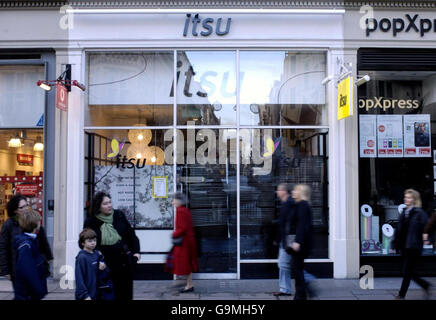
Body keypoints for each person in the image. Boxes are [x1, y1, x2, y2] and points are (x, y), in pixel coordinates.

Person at [84, 192, 140, 300]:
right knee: (107, 295)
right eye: (105, 204)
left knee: (124, 295)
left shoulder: (119, 215)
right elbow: (83, 241)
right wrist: (95, 255)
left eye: (110, 202)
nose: (109, 205)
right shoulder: (91, 221)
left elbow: (131, 235)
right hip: (104, 265)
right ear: (98, 207)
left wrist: (136, 253)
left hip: (123, 263)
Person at [0, 194, 52, 282]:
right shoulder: (9, 225)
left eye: (27, 205)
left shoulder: (34, 220)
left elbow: (44, 244)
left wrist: (46, 260)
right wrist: (5, 270)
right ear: (15, 210)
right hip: (18, 269)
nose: (26, 208)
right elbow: (3, 248)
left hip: (36, 267)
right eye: (22, 207)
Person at [393, 189, 430, 300]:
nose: (406, 199)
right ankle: (425, 285)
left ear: (414, 200)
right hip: (404, 246)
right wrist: (395, 242)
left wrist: (427, 237)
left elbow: (427, 227)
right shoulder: (404, 211)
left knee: (406, 271)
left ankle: (401, 295)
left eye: (409, 197)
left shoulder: (419, 213)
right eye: (405, 197)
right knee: (408, 272)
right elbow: (399, 229)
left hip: (414, 246)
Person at [13, 210, 49, 300]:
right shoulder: (26, 245)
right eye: (39, 221)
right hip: (28, 294)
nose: (40, 223)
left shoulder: (31, 241)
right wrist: (38, 290)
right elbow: (28, 271)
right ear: (35, 224)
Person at [286, 184, 313, 300]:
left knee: (296, 268)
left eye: (296, 190)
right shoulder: (300, 204)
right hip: (302, 242)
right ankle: (301, 294)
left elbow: (302, 225)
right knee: (297, 268)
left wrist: (297, 242)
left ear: (301, 193)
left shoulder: (302, 205)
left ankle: (300, 295)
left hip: (301, 243)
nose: (293, 191)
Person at [75, 228, 114, 300]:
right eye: (89, 241)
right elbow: (79, 278)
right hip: (88, 295)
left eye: (94, 240)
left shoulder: (97, 254)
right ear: (83, 243)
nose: (93, 243)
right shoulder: (82, 257)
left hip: (99, 294)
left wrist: (104, 268)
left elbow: (106, 273)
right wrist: (85, 296)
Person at [171, 192, 198, 293]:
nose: (172, 202)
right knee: (188, 263)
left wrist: (174, 234)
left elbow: (182, 228)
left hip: (184, 243)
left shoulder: (180, 211)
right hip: (189, 241)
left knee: (184, 263)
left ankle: (186, 284)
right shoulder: (185, 210)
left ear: (178, 201)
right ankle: (188, 284)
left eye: (173, 200)